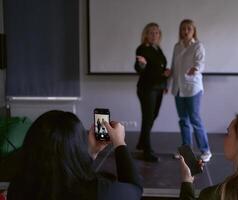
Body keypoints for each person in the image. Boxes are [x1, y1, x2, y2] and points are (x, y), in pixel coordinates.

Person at [7, 110, 142, 200]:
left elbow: (67, 171)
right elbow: (135, 189)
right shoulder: (100, 192)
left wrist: (92, 153)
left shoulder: (17, 187)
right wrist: (119, 142)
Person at [170, 19, 211, 162]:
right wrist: (166, 83)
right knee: (183, 120)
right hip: (178, 89)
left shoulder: (198, 46)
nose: (185, 31)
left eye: (188, 29)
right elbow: (174, 68)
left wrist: (196, 69)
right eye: (183, 29)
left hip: (193, 88)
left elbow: (200, 63)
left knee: (195, 119)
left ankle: (205, 150)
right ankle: (186, 150)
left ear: (193, 31)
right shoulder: (177, 46)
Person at [134, 22, 171, 162]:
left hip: (159, 88)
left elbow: (159, 69)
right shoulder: (142, 48)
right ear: (146, 35)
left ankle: (142, 142)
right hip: (147, 88)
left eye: (156, 32)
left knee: (153, 116)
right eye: (151, 32)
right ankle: (147, 151)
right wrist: (141, 64)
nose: (154, 35)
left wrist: (165, 81)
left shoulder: (157, 48)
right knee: (148, 118)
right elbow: (139, 67)